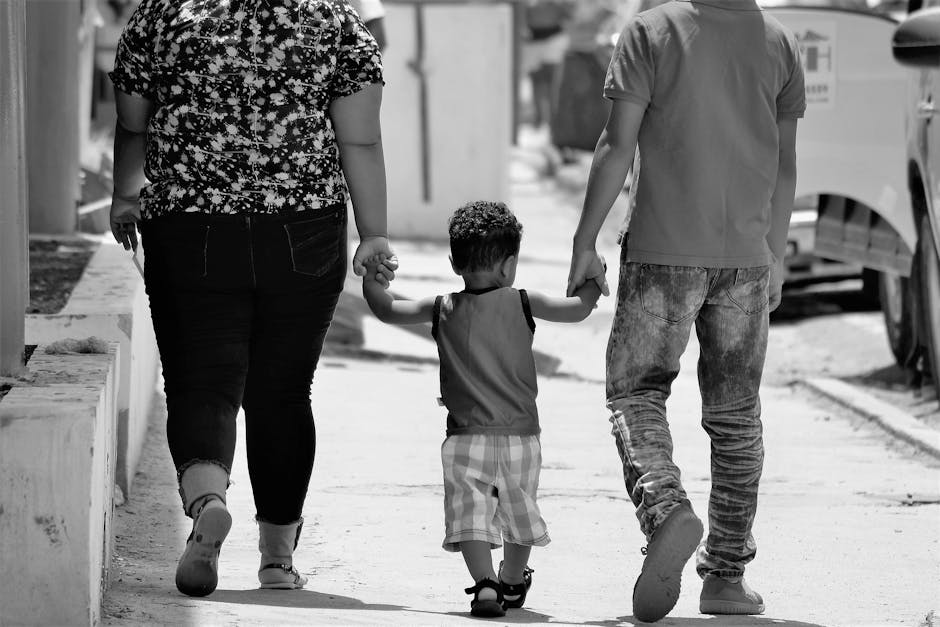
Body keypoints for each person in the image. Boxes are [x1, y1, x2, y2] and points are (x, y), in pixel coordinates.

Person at [108, 0, 397, 597]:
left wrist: (122, 195)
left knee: (200, 381)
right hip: (303, 230)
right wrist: (373, 234)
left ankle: (208, 501)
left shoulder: (159, 16)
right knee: (284, 392)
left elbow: (133, 122)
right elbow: (360, 141)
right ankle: (276, 558)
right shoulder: (334, 21)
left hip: (190, 227)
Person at [566, 0, 805, 621]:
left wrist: (584, 241)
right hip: (748, 259)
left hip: (661, 253)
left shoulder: (649, 32)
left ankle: (667, 509)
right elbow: (785, 164)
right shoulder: (778, 42)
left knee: (635, 393)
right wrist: (775, 253)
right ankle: (725, 576)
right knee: (735, 419)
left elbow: (617, 145)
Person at [361, 201, 602, 618]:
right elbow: (579, 308)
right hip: (521, 437)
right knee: (518, 507)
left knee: (471, 509)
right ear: (509, 267)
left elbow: (385, 308)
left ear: (455, 263)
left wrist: (372, 278)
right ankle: (512, 579)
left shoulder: (440, 308)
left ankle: (485, 585)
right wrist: (593, 277)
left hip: (466, 438)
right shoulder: (524, 302)